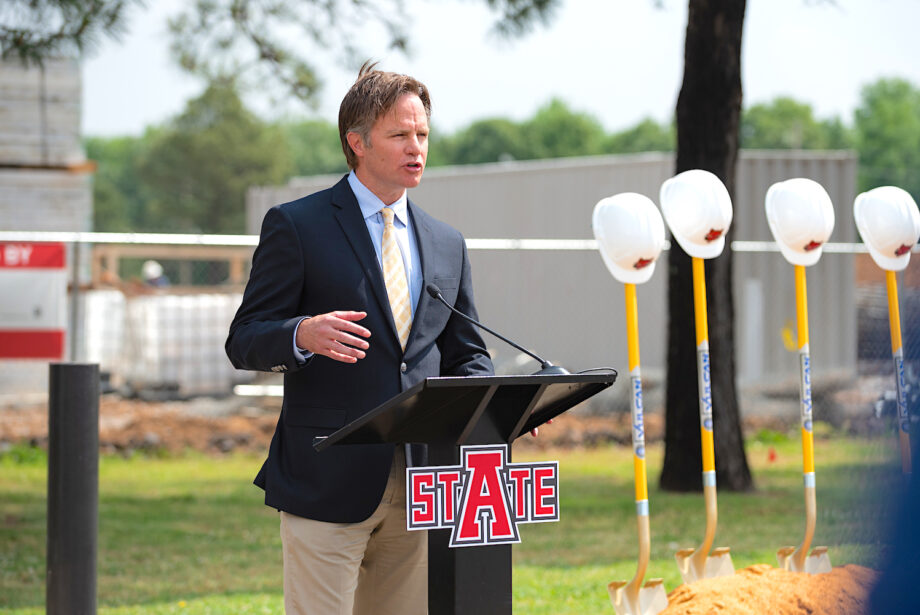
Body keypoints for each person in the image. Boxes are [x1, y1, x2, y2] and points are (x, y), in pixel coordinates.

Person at [225, 62, 494, 615]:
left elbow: (469, 356)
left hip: (424, 484)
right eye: (399, 134)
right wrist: (301, 332)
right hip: (327, 477)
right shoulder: (297, 225)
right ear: (357, 142)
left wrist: (496, 411)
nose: (416, 147)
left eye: (422, 134)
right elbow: (244, 339)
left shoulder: (448, 243)